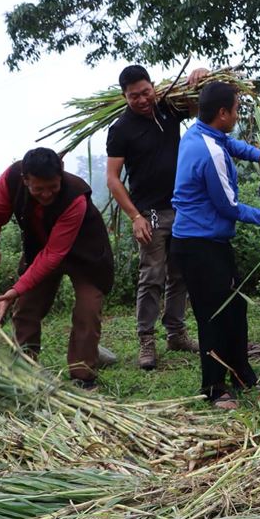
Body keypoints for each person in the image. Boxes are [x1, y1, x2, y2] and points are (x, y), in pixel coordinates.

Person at [171, 81, 260, 410]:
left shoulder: (200, 133)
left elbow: (230, 144)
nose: (238, 114)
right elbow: (229, 207)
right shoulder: (208, 153)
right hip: (199, 245)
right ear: (223, 113)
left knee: (235, 308)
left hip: (210, 241)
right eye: (236, 109)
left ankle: (240, 373)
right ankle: (214, 387)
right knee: (213, 315)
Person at [0, 148, 115, 389]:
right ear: (25, 180)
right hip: (40, 251)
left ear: (60, 174)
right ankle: (25, 371)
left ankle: (83, 377)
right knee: (26, 308)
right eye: (38, 189)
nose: (46, 194)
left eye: (53, 186)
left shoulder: (75, 196)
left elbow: (54, 254)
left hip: (86, 254)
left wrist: (13, 291)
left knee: (88, 310)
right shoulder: (11, 179)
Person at [106, 64, 208, 370]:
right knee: (152, 275)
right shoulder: (121, 129)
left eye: (146, 92)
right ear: (124, 96)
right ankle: (146, 340)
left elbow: (200, 103)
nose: (142, 100)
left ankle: (176, 333)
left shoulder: (168, 107)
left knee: (180, 273)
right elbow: (113, 178)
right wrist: (135, 216)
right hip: (149, 212)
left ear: (154, 86)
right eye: (133, 96)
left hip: (182, 207)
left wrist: (201, 74)